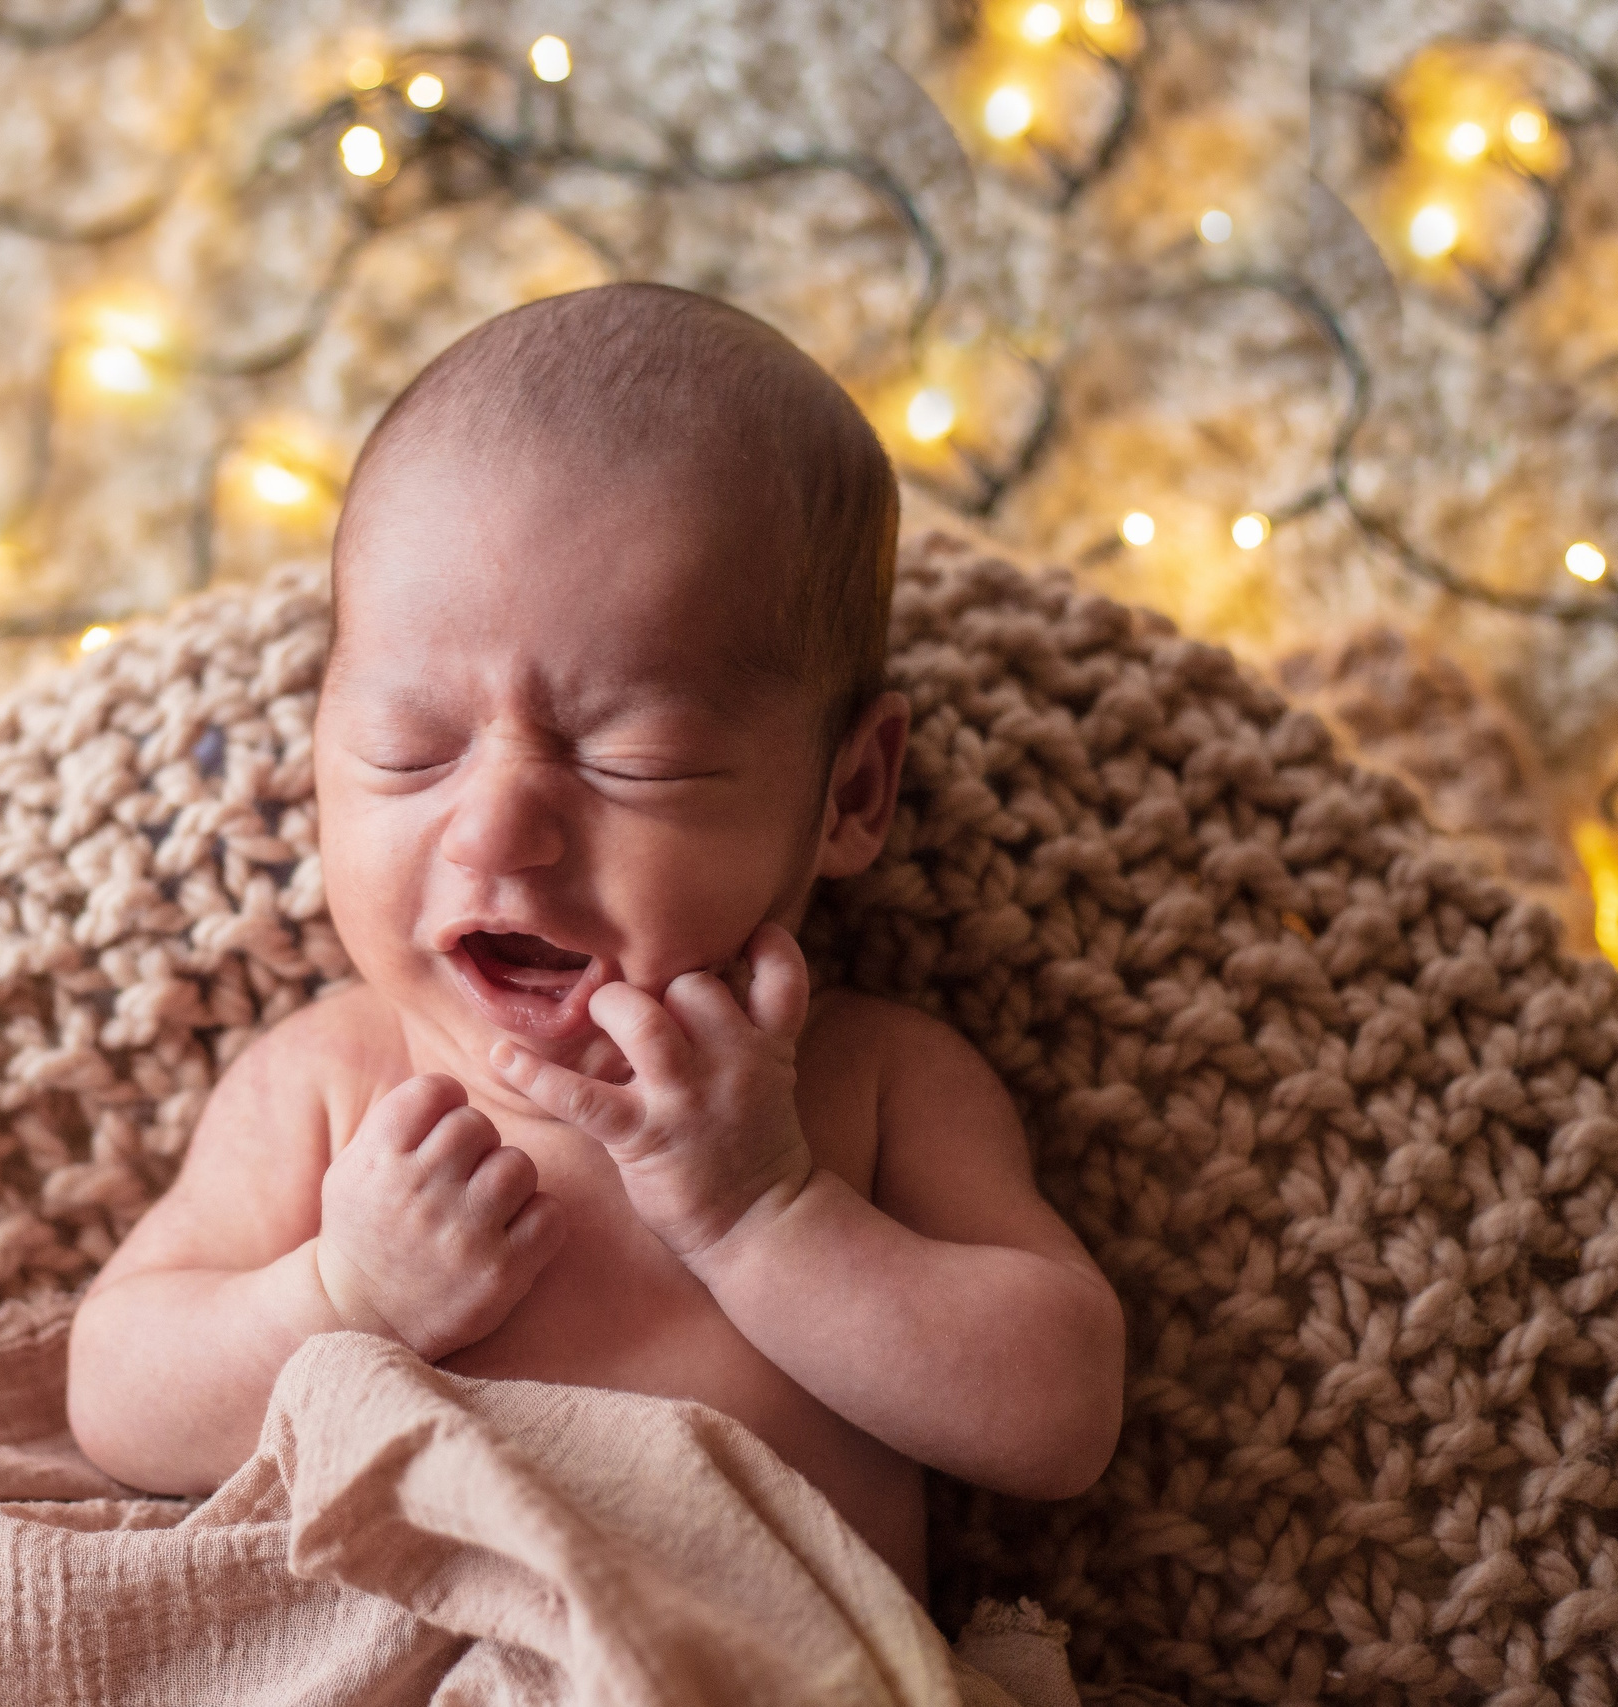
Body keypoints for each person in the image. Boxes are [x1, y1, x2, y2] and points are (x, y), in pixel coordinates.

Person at [66, 282, 1124, 1592]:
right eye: (410, 748)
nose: (498, 833)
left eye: (636, 761)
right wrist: (342, 1296)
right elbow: (118, 1393)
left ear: (850, 794)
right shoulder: (335, 1080)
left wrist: (767, 1216)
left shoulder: (867, 1088)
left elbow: (1060, 1416)